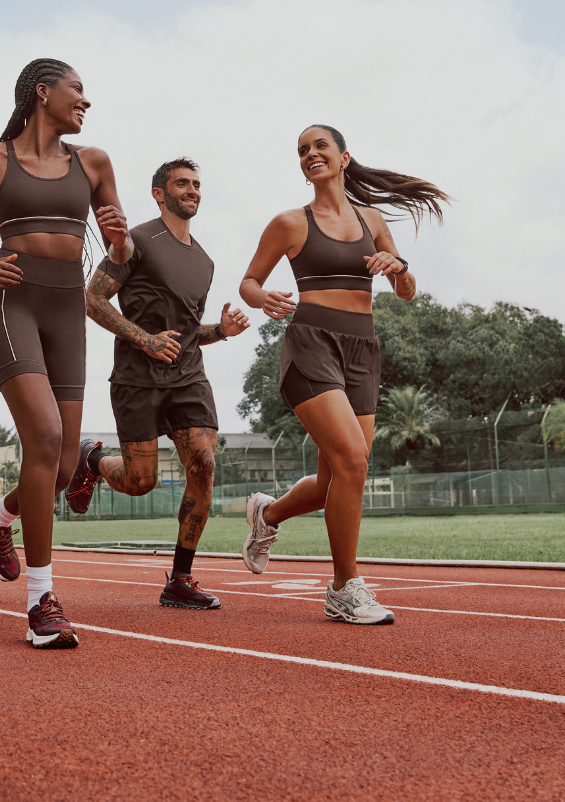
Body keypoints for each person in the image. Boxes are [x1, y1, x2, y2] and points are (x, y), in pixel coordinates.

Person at [0, 59, 131, 649]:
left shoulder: (94, 163)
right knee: (43, 438)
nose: (85, 101)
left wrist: (120, 244)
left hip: (67, 309)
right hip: (10, 301)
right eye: (77, 90)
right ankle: (42, 601)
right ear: (43, 93)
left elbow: (119, 260)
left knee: (64, 467)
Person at [238, 124, 447, 624]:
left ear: (343, 157)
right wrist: (262, 297)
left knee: (340, 474)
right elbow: (248, 281)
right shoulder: (289, 223)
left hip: (363, 351)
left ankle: (267, 514)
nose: (311, 154)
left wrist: (397, 266)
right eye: (302, 150)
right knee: (353, 458)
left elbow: (407, 291)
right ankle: (343, 587)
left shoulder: (373, 219)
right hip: (311, 345)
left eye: (320, 146)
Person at [68, 158, 250, 609]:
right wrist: (144, 340)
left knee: (204, 465)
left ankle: (180, 580)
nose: (191, 190)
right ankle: (91, 460)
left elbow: (189, 334)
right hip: (137, 379)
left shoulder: (204, 260)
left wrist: (221, 332)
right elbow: (93, 299)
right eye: (181, 183)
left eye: (196, 184)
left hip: (188, 377)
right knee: (140, 482)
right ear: (158, 193)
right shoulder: (138, 242)